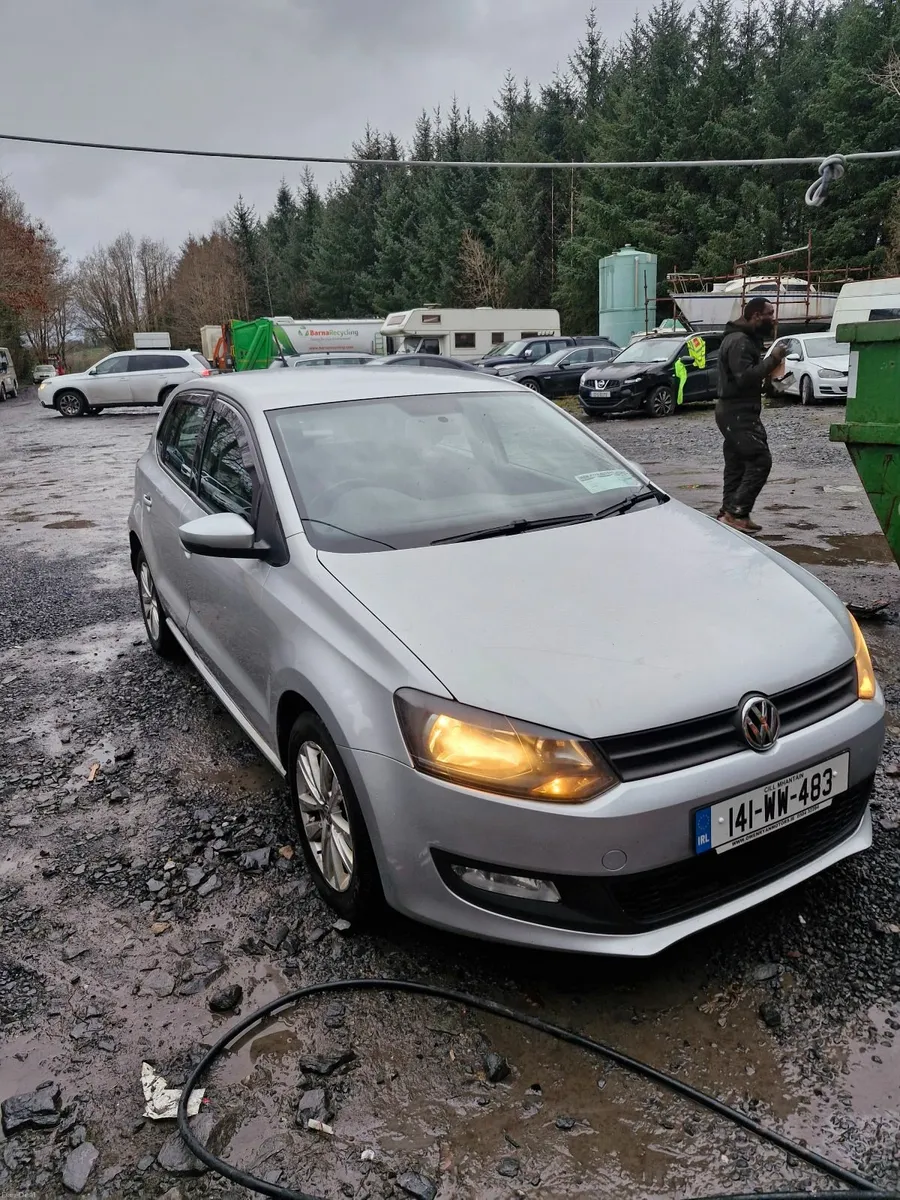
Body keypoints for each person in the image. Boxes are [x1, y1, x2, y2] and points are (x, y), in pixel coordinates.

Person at [715, 297, 788, 533]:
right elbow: (744, 377)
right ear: (756, 315)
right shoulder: (740, 341)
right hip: (737, 412)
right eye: (770, 313)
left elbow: (747, 378)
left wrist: (773, 382)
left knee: (737, 463)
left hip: (735, 411)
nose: (773, 318)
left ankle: (729, 512)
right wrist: (773, 359)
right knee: (759, 460)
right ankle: (737, 513)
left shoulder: (743, 339)